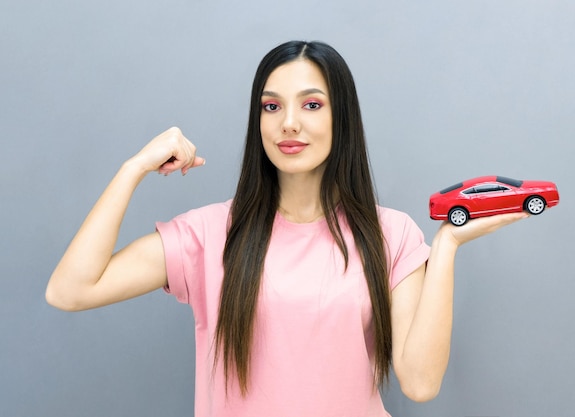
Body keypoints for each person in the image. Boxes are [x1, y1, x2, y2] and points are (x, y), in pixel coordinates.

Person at [46, 40, 526, 417]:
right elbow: (70, 291)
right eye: (271, 107)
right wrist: (134, 168)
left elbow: (420, 384)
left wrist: (445, 247)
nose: (288, 124)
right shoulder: (210, 235)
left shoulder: (391, 236)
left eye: (312, 105)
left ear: (343, 119)